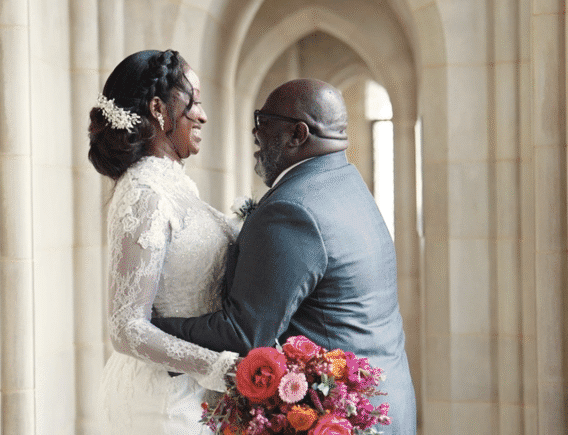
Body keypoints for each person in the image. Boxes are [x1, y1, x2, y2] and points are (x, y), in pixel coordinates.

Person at [152, 78, 418, 434]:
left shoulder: (292, 209)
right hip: (388, 403)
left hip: (344, 418)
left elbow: (245, 335)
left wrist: (151, 328)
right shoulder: (346, 182)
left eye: (263, 121)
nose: (254, 132)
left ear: (297, 134)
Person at [89, 49, 238, 434]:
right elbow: (126, 327)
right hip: (161, 404)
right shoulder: (144, 191)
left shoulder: (175, 184)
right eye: (195, 103)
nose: (203, 116)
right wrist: (220, 368)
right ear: (158, 108)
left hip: (191, 393)